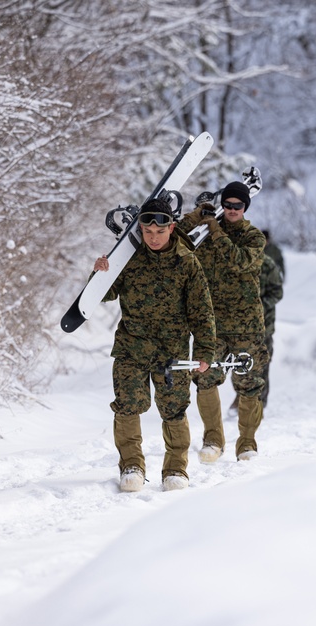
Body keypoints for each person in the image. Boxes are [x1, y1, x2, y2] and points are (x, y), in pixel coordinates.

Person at [93, 198, 216, 492]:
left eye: (159, 232)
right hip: (131, 347)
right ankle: (131, 466)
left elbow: (202, 311)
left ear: (171, 228)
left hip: (171, 352)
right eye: (148, 232)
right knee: (127, 406)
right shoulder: (128, 259)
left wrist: (204, 352)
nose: (153, 238)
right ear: (142, 230)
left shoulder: (187, 262)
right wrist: (100, 273)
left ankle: (175, 469)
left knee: (174, 409)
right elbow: (103, 294)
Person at [176, 181, 267, 463]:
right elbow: (174, 240)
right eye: (226, 205)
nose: (231, 210)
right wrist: (195, 217)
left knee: (249, 383)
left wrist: (215, 231)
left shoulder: (254, 237)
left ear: (245, 207)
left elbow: (239, 261)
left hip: (246, 324)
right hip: (211, 323)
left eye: (237, 206)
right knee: (204, 378)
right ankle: (213, 438)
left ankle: (247, 443)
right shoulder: (203, 232)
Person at [229, 252, 284, 414]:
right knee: (238, 364)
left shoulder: (267, 264)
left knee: (261, 365)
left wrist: (259, 306)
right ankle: (240, 396)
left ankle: (259, 403)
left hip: (263, 326)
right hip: (239, 328)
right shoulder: (236, 262)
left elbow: (277, 292)